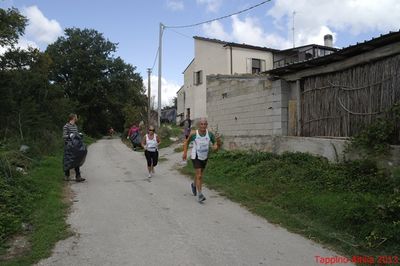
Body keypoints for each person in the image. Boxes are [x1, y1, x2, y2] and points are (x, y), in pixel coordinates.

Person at [182, 118, 220, 202]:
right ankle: (200, 195)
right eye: (201, 124)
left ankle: (194, 185)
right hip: (195, 156)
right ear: (199, 125)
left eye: (205, 124)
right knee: (199, 175)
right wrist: (184, 153)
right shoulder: (194, 134)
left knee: (199, 174)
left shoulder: (210, 134)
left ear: (207, 125)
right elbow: (186, 142)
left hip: (204, 157)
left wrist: (216, 145)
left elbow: (215, 145)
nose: (203, 126)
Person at [63, 113, 85, 182]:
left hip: (75, 146)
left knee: (76, 160)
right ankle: (66, 176)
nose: (77, 117)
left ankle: (78, 176)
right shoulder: (66, 126)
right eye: (76, 116)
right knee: (68, 160)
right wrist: (69, 135)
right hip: (69, 146)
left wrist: (79, 134)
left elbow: (76, 135)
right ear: (73, 118)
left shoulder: (75, 126)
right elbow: (64, 136)